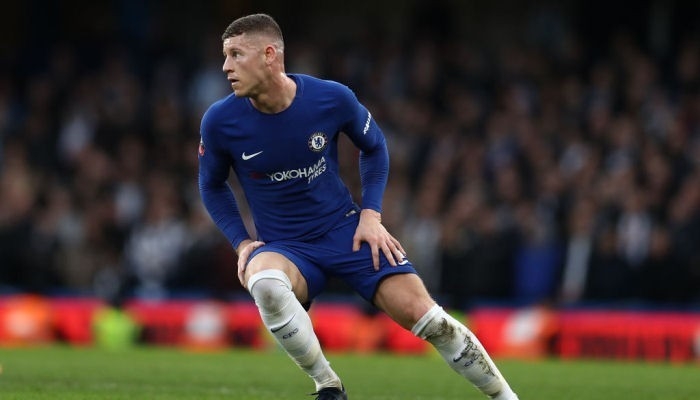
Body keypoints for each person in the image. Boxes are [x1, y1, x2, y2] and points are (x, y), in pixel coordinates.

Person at [198, 13, 520, 400]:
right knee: (264, 281)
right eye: (225, 55)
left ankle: (507, 398)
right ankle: (328, 386)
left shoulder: (330, 98)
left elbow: (375, 147)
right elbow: (211, 184)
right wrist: (241, 242)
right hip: (285, 248)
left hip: (347, 233)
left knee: (432, 320)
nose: (226, 66)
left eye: (235, 54)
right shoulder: (220, 121)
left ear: (269, 55)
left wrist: (371, 215)